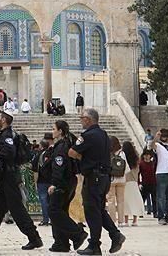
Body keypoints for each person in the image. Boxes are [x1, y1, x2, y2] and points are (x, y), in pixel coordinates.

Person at [0, 112, 43, 251]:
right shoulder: (8, 134)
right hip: (6, 178)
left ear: (4, 120)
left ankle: (34, 238)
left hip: (9, 177)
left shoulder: (7, 135)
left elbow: (9, 153)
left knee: (17, 210)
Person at [67, 108, 125, 255]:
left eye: (82, 118)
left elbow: (72, 152)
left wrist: (84, 159)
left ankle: (94, 245)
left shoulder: (88, 135)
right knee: (98, 210)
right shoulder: (104, 135)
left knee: (91, 211)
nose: (80, 121)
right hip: (104, 177)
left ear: (88, 119)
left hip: (93, 177)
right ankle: (115, 235)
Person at [48, 120, 88, 252]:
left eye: (54, 129)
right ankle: (61, 243)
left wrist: (55, 184)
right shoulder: (65, 144)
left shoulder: (61, 147)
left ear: (60, 131)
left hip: (63, 182)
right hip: (70, 181)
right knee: (61, 210)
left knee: (54, 211)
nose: (52, 131)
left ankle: (77, 233)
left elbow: (59, 167)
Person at [149, 128, 168, 225]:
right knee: (161, 196)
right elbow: (150, 146)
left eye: (166, 134)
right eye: (163, 135)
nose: (164, 136)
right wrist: (155, 138)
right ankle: (160, 216)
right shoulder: (157, 145)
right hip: (161, 173)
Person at [32, 138, 53, 226]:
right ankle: (53, 219)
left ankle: (45, 219)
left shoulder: (38, 155)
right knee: (51, 201)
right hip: (51, 180)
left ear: (41, 146)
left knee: (43, 200)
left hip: (42, 181)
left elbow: (35, 170)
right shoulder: (52, 154)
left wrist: (35, 182)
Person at [121, 141, 143, 226]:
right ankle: (134, 220)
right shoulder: (136, 159)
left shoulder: (123, 157)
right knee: (135, 201)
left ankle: (126, 220)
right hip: (134, 182)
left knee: (126, 202)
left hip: (125, 181)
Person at [106, 137, 127, 226]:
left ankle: (112, 220)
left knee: (111, 200)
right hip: (121, 180)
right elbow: (127, 168)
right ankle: (121, 221)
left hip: (112, 179)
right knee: (121, 201)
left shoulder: (108, 154)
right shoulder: (122, 153)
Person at [138, 150, 156, 218]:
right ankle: (140, 212)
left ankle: (155, 212)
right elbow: (138, 174)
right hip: (145, 183)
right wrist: (139, 183)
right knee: (142, 199)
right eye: (145, 155)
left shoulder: (153, 163)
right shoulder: (141, 164)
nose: (146, 156)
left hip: (153, 183)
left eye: (148, 155)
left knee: (154, 199)